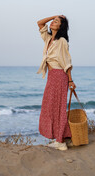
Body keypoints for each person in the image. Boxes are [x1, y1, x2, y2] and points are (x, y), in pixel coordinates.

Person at [36, 14, 76, 151]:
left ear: (61, 26)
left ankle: (61, 141)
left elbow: (67, 62)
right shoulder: (49, 39)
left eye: (56, 21)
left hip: (60, 76)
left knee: (58, 108)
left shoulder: (62, 41)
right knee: (51, 107)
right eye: (53, 21)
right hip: (52, 76)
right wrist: (54, 15)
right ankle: (61, 138)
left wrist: (70, 80)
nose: (53, 22)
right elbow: (39, 23)